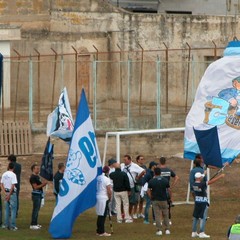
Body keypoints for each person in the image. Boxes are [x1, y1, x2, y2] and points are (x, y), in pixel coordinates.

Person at [191, 171, 225, 238]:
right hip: (203, 202)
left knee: (196, 217)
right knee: (203, 217)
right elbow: (210, 182)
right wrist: (220, 177)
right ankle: (201, 232)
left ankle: (194, 232)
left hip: (197, 201)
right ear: (199, 178)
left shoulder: (193, 183)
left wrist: (204, 173)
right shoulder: (202, 184)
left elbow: (201, 178)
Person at [148, 167, 170, 236]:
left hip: (155, 200)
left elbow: (148, 190)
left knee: (157, 215)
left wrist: (151, 196)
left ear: (154, 173)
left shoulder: (151, 181)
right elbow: (169, 190)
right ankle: (167, 229)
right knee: (165, 214)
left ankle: (159, 230)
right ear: (160, 173)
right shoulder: (165, 180)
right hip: (164, 199)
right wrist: (170, 198)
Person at [159, 156, 179, 224]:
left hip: (160, 189)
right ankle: (168, 219)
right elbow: (176, 177)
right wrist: (172, 186)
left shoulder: (158, 170)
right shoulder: (169, 170)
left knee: (160, 205)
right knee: (168, 205)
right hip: (167, 189)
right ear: (165, 162)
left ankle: (161, 220)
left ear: (159, 162)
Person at [29, 163, 48, 230]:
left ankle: (36, 223)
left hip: (39, 194)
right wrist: (43, 184)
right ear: (33, 169)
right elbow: (35, 187)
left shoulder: (37, 176)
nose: (38, 169)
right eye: (37, 168)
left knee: (37, 209)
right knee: (35, 209)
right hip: (36, 195)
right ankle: (33, 224)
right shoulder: (33, 177)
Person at [1, 162, 18, 230]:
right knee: (13, 210)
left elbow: (1, 184)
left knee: (6, 210)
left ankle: (5, 225)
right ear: (13, 167)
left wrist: (5, 193)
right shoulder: (13, 175)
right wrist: (9, 194)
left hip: (6, 192)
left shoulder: (4, 174)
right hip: (12, 193)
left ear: (8, 167)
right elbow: (13, 185)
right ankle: (12, 226)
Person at [96, 166, 112, 237]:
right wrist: (110, 198)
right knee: (103, 215)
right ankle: (101, 231)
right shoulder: (106, 179)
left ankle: (98, 231)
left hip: (98, 197)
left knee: (100, 214)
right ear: (108, 171)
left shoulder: (98, 178)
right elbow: (109, 190)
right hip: (103, 198)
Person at [133, 155, 147, 219]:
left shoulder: (144, 167)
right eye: (141, 159)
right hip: (138, 185)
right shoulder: (135, 167)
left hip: (143, 185)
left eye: (143, 159)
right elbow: (134, 177)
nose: (142, 160)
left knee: (142, 200)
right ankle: (134, 213)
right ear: (138, 160)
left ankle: (140, 213)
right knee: (136, 200)